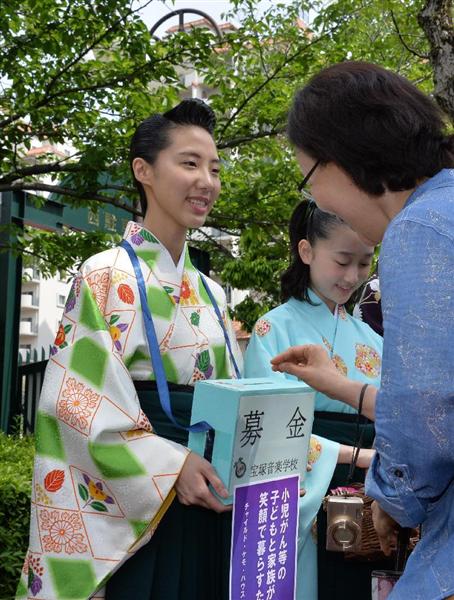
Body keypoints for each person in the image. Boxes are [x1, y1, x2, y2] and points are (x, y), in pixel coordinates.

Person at [17, 99, 243, 600]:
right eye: (189, 163)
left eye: (214, 168)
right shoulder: (103, 274)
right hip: (141, 503)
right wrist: (170, 464)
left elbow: (236, 399)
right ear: (143, 170)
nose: (206, 180)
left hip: (208, 492)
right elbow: (73, 403)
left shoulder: (212, 292)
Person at [272, 61, 454, 599]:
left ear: (344, 157)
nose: (320, 202)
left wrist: (392, 496)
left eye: (310, 179)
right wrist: (341, 387)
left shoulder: (419, 229)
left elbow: (427, 406)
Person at [244, 199, 386, 599]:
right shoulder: (274, 327)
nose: (353, 276)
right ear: (306, 251)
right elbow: (263, 432)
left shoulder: (373, 341)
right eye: (342, 261)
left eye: (364, 263)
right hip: (303, 490)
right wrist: (356, 457)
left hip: (370, 499)